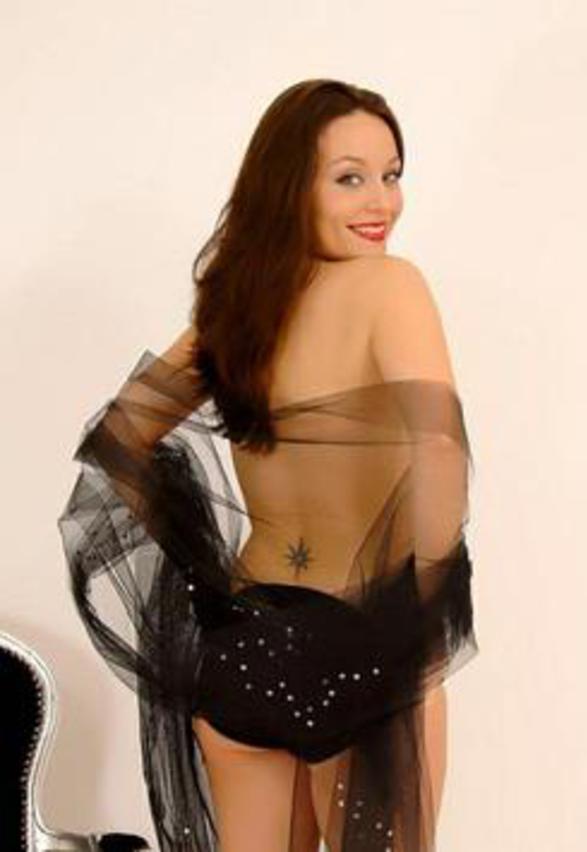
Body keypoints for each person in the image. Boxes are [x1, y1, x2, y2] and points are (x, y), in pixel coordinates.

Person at [58, 79, 478, 852]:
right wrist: (422, 609)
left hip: (244, 646)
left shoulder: (234, 311)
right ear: (289, 187)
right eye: (349, 177)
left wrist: (203, 584)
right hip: (363, 645)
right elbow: (441, 449)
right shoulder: (391, 285)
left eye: (391, 174)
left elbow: (118, 440)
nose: (381, 201)